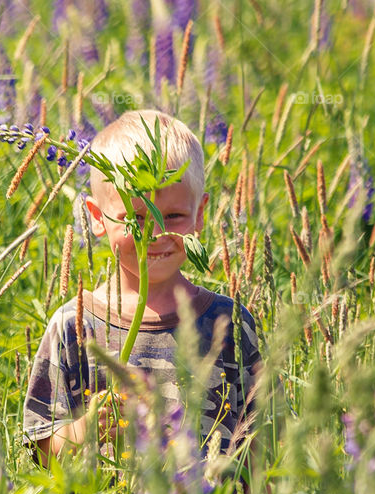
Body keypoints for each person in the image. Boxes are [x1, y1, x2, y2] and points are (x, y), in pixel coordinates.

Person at [22, 109, 262, 470]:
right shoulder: (74, 325)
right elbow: (38, 449)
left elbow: (265, 442)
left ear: (200, 214)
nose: (155, 233)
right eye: (136, 218)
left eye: (175, 216)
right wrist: (85, 430)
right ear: (97, 218)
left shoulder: (229, 322)